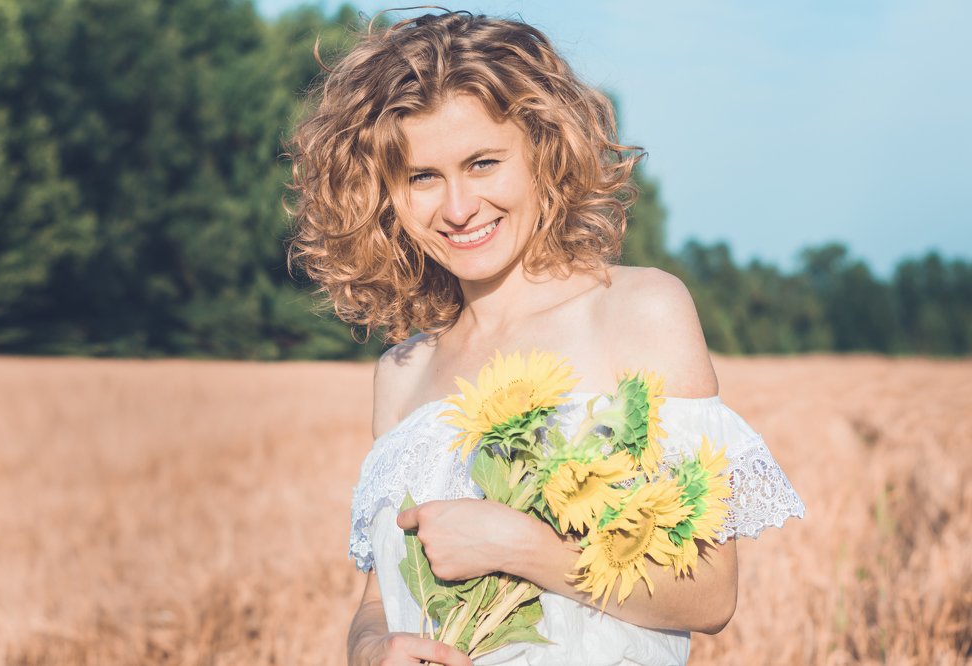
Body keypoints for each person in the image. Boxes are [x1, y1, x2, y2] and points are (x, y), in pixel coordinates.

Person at [287, 11, 804, 666]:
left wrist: (521, 546)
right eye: (422, 177)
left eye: (482, 164)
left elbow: (709, 596)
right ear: (384, 194)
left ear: (543, 153)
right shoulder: (402, 372)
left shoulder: (639, 311)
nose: (456, 207)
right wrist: (370, 650)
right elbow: (377, 603)